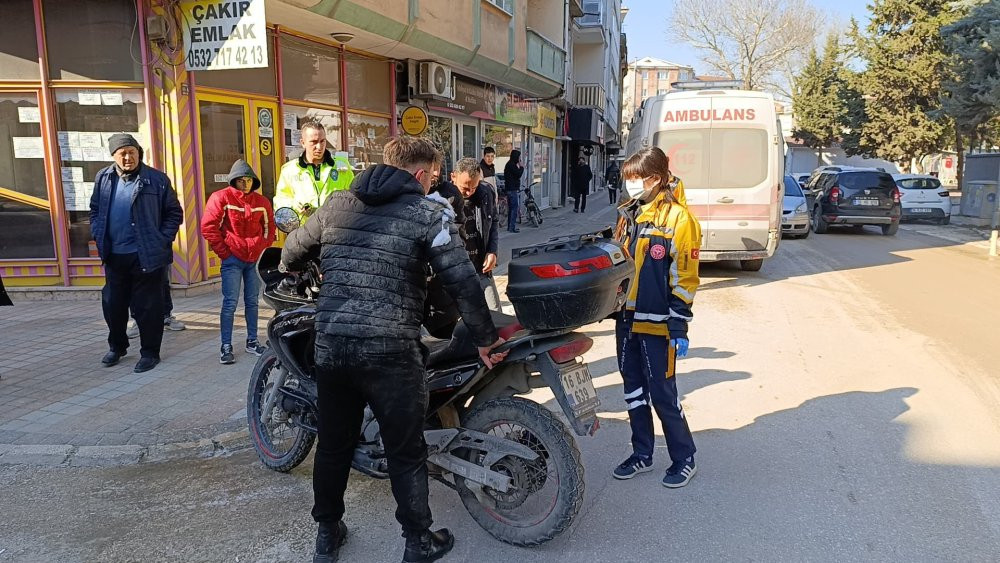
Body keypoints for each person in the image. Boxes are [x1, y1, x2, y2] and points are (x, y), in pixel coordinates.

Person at [280, 136, 508, 563]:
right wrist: (485, 339)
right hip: (391, 353)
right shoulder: (426, 213)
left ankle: (327, 535)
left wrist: (293, 268)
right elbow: (463, 282)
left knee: (332, 446)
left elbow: (292, 250)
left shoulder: (337, 203)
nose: (432, 184)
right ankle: (417, 542)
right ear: (420, 174)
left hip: (333, 349)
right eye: (432, 177)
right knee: (406, 450)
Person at [611, 146, 702, 489]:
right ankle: (642, 453)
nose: (633, 185)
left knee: (663, 394)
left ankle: (684, 457)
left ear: (658, 178)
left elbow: (685, 277)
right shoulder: (628, 214)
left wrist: (679, 324)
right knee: (633, 391)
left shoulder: (680, 220)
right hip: (627, 318)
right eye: (629, 179)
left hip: (658, 322)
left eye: (637, 179)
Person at [89, 133, 182, 373]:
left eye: (132, 152)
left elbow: (174, 213)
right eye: (122, 153)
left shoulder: (156, 179)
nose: (128, 157)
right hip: (114, 254)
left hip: (147, 255)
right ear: (114, 156)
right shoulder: (104, 178)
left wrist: (162, 240)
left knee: (148, 307)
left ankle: (150, 353)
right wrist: (99, 232)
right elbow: (95, 209)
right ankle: (117, 347)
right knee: (113, 304)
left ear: (139, 152)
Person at [201, 159, 276, 365]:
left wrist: (262, 247)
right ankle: (226, 345)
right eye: (241, 180)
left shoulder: (262, 202)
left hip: (253, 260)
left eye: (249, 180)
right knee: (230, 303)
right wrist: (224, 253)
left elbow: (270, 228)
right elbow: (209, 227)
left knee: (252, 302)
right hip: (232, 259)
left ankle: (252, 341)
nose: (245, 184)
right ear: (233, 181)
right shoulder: (220, 198)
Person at [446, 157, 501, 310]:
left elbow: (494, 222)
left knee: (496, 318)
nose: (469, 192)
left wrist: (492, 251)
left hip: (481, 269)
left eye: (474, 187)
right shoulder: (442, 198)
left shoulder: (486, 192)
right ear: (453, 177)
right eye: (465, 187)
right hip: (457, 275)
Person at [273, 121, 353, 217]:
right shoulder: (289, 170)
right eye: (314, 142)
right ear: (303, 143)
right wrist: (294, 205)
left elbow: (353, 197)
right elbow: (280, 201)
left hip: (335, 227)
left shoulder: (341, 165)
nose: (319, 147)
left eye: (322, 141)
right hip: (304, 229)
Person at [503, 149, 524, 232]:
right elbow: (518, 174)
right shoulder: (511, 165)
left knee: (512, 208)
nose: (519, 159)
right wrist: (521, 166)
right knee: (514, 209)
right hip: (512, 190)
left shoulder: (510, 164)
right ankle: (511, 227)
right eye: (519, 157)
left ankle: (510, 226)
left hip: (511, 189)